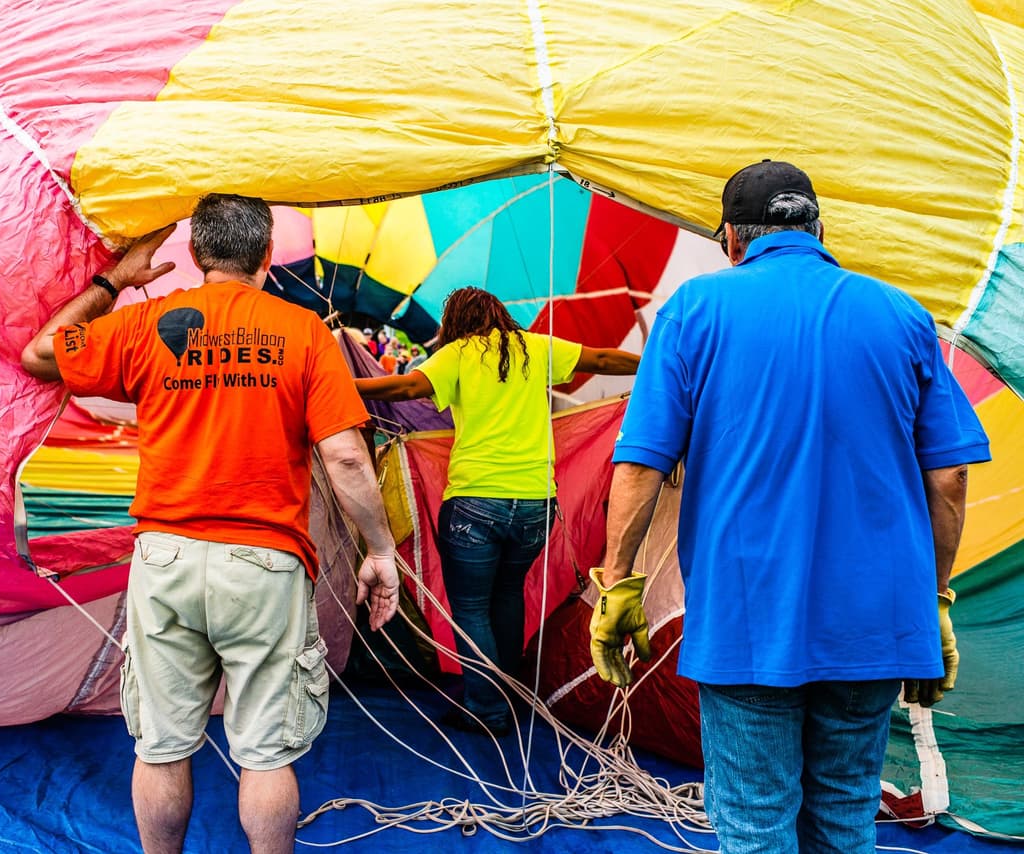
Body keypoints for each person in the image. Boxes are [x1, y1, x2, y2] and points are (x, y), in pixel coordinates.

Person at [589, 160, 990, 853]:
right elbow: (949, 475)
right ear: (820, 229)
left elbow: (641, 464)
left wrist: (617, 584)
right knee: (844, 818)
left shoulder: (693, 310)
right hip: (874, 626)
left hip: (749, 621)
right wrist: (936, 598)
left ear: (730, 241)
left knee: (755, 824)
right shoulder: (901, 312)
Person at [21, 194, 400, 854]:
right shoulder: (303, 330)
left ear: (195, 255)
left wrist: (115, 279)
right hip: (265, 563)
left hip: (166, 556)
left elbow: (42, 352)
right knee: (265, 753)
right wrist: (381, 551)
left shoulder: (150, 323)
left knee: (163, 745)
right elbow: (343, 453)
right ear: (266, 255)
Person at [356, 287, 639, 735]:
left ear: (457, 320)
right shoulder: (536, 347)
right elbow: (603, 361)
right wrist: (655, 366)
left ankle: (487, 708)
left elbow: (409, 387)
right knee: (507, 597)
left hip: (474, 505)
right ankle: (506, 694)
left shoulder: (459, 353)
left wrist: (344, 385)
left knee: (471, 609)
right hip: (535, 506)